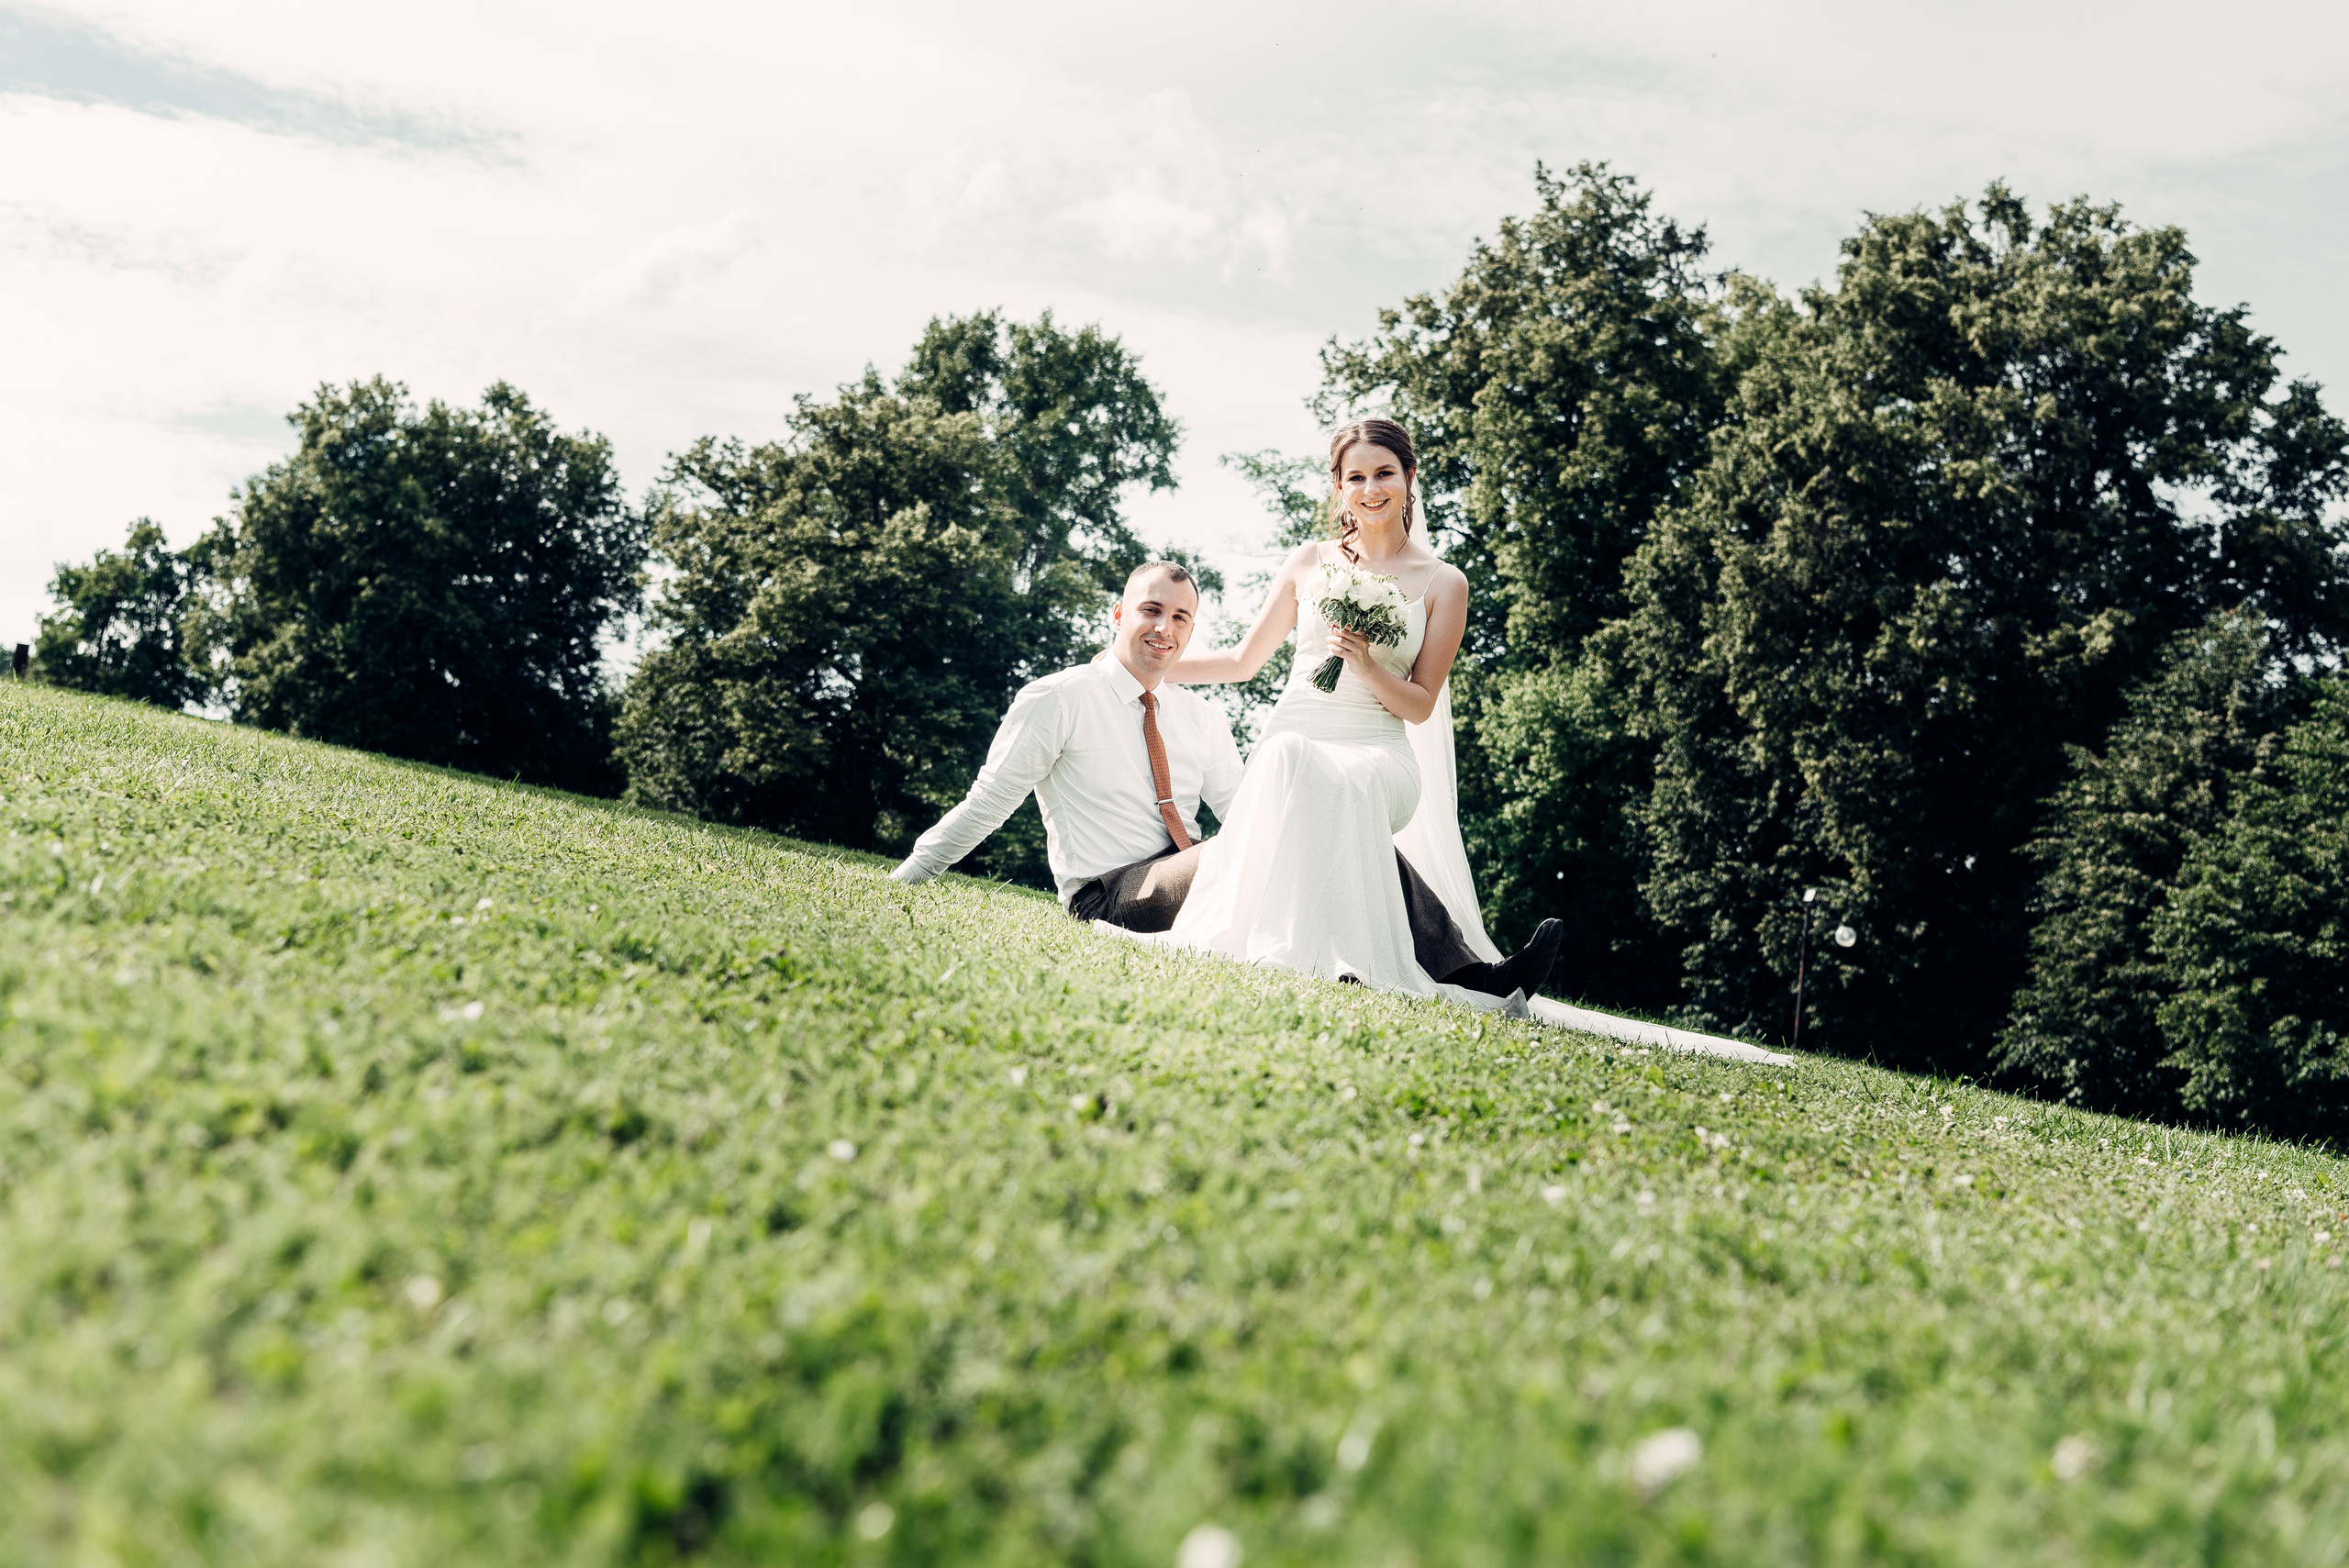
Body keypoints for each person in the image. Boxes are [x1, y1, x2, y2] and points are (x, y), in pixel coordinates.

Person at [888, 555, 1564, 1001]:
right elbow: (990, 800)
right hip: (1109, 892)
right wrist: (911, 875)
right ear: (1119, 615)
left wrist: (1325, 809)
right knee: (1309, 817)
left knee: (1336, 810)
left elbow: (1251, 809)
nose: (1165, 627)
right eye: (1151, 610)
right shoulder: (1058, 698)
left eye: (1181, 617)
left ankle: (1474, 973)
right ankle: (1447, 971)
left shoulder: (1200, 716)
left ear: (1191, 633)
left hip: (1189, 872)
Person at [1130, 417, 1561, 1000]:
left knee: (1337, 778)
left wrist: (1367, 665)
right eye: (1355, 477)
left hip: (1378, 750)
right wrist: (1141, 664)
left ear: (1409, 476)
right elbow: (1241, 661)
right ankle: (1391, 966)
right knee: (1290, 757)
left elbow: (1420, 705)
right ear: (1338, 486)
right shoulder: (1309, 561)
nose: (1370, 489)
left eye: (1384, 473)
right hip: (1295, 737)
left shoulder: (1444, 583)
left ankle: (1387, 961)